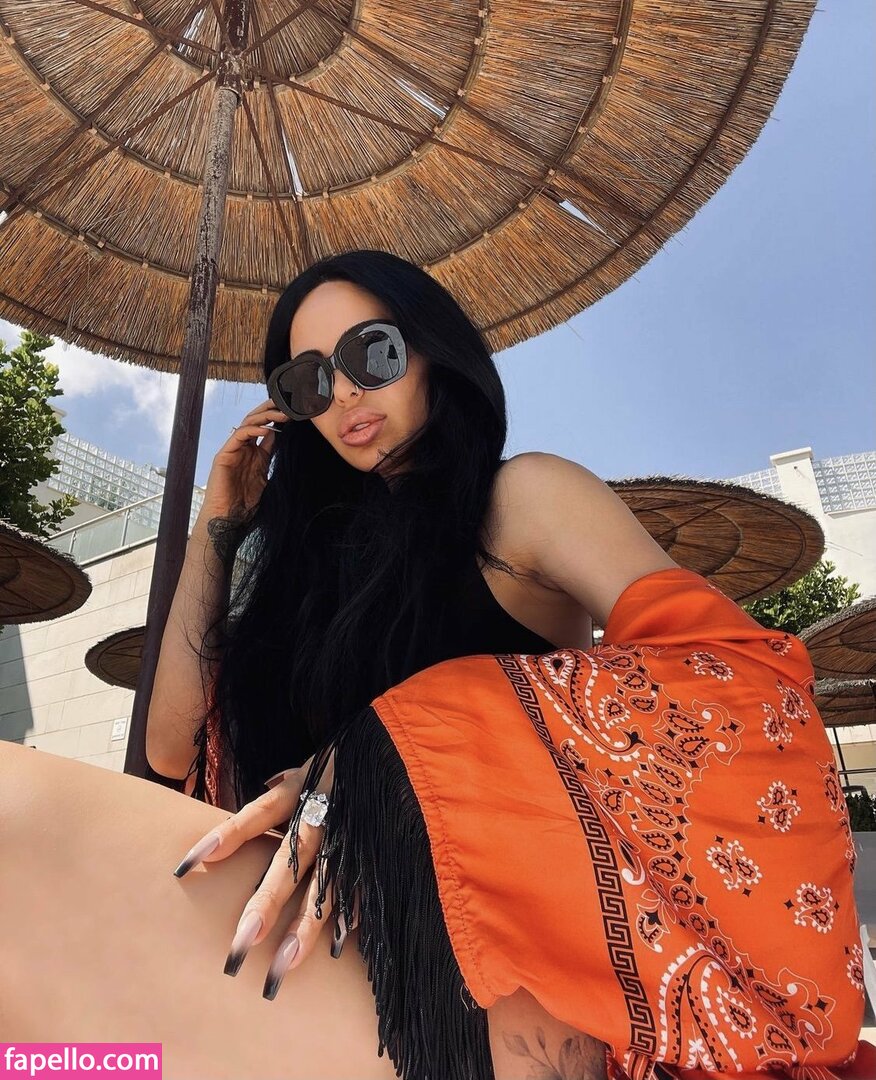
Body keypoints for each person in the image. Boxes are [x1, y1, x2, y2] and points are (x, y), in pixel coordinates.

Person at [141, 248, 869, 1080]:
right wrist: (220, 525)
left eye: (370, 353)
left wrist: (380, 755)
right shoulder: (317, 584)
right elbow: (171, 745)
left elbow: (742, 688)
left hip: (499, 992)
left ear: (431, 351)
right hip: (318, 970)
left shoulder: (522, 499)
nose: (342, 394)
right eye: (307, 382)